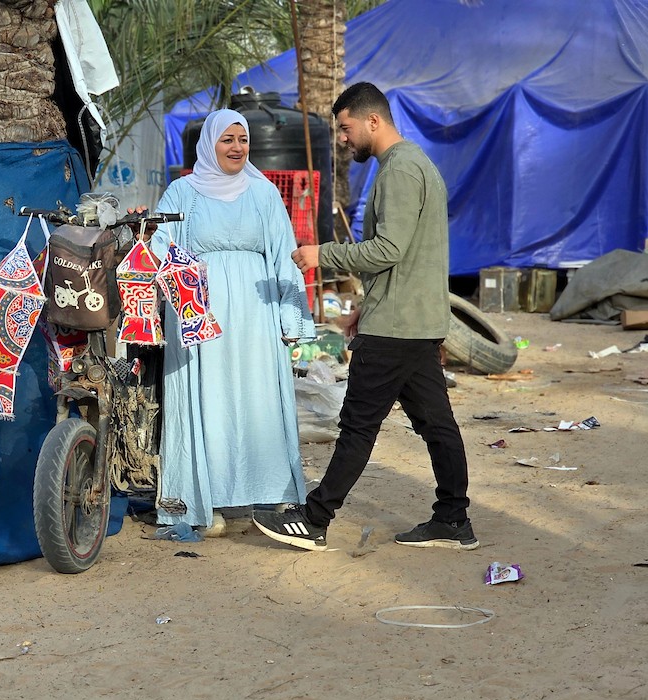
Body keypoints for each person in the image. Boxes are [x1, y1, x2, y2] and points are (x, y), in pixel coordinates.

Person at [252, 82, 476, 551]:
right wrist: (363, 306)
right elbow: (408, 256)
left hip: (396, 329)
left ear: (373, 121)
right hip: (412, 321)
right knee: (437, 425)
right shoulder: (414, 164)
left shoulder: (399, 171)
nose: (342, 138)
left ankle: (315, 519)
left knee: (358, 425)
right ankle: (454, 520)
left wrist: (321, 254)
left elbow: (389, 249)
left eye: (345, 127)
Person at [148, 108, 316, 533]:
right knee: (208, 401)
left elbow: (284, 256)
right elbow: (160, 249)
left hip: (256, 316)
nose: (237, 147)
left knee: (261, 398)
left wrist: (291, 318)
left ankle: (274, 492)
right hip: (199, 315)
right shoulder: (182, 193)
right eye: (228, 140)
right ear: (210, 144)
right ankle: (209, 501)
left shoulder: (263, 195)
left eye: (243, 140)